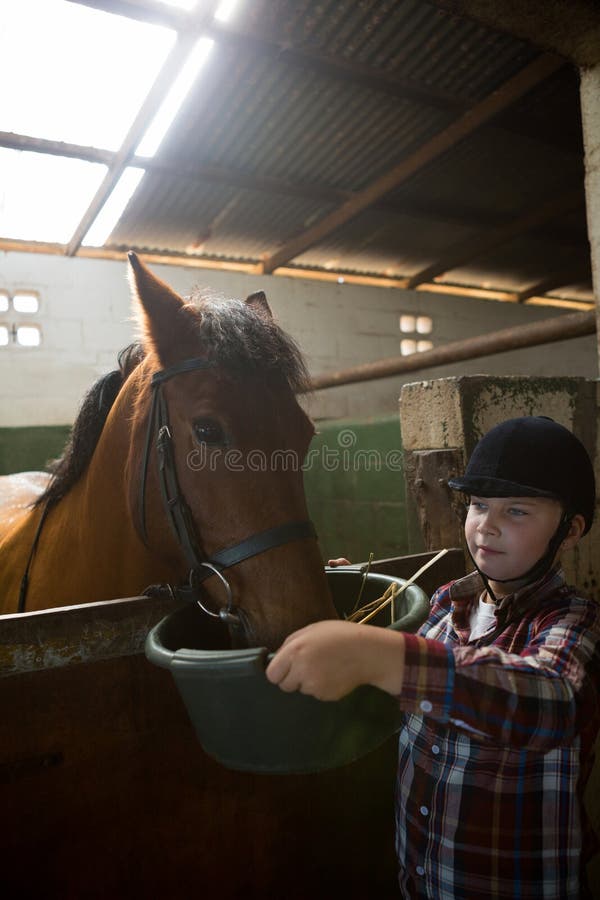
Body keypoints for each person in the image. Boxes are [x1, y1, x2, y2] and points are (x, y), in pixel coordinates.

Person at [266, 416, 600, 899]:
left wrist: (383, 657)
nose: (487, 525)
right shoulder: (446, 603)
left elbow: (550, 700)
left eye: (517, 512)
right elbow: (395, 694)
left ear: (570, 530)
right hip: (421, 879)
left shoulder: (575, 622)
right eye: (479, 505)